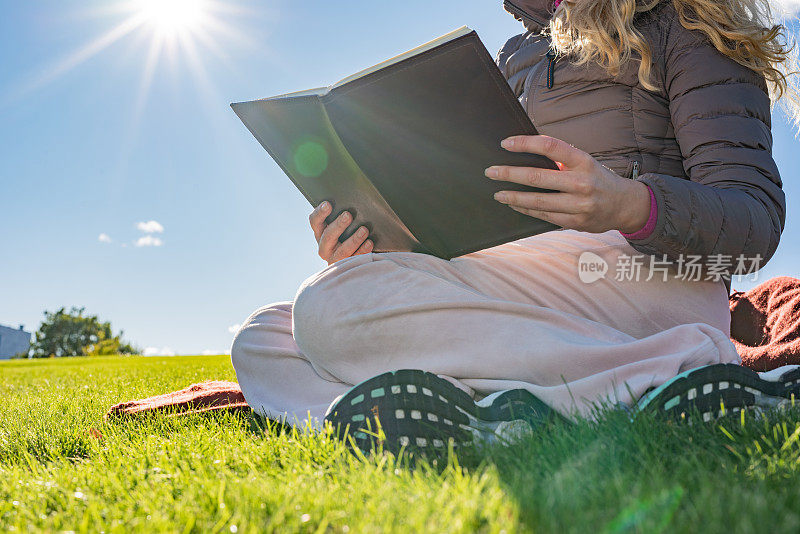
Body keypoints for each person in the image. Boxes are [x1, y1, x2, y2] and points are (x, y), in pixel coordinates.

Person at [231, 0, 800, 452]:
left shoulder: (690, 20)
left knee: (327, 311)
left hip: (639, 272)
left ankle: (678, 371)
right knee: (265, 336)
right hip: (535, 278)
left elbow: (754, 222)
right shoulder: (516, 55)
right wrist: (383, 247)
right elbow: (487, 210)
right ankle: (490, 421)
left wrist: (628, 204)